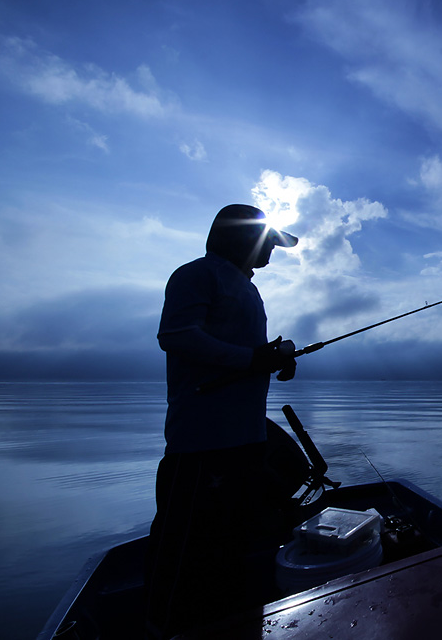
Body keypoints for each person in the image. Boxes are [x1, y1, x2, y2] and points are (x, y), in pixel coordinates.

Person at [144, 204, 299, 638]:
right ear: (238, 238)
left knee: (230, 545)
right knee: (182, 550)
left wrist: (275, 358)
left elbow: (243, 352)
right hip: (201, 445)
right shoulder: (197, 274)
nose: (272, 249)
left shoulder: (248, 289)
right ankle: (161, 629)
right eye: (267, 240)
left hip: (246, 440)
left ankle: (226, 624)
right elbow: (176, 336)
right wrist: (254, 359)